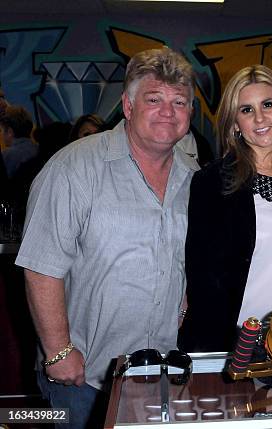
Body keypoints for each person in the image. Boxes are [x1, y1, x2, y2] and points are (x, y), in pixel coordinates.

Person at [15, 47, 199, 428]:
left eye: (179, 101)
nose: (168, 111)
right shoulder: (73, 167)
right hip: (85, 377)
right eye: (154, 99)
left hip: (161, 373)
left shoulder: (194, 176)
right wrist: (57, 353)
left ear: (190, 114)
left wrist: (183, 298)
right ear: (128, 107)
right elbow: (40, 266)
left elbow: (186, 253)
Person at [178, 65, 272, 353]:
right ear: (234, 124)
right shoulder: (212, 182)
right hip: (236, 345)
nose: (260, 118)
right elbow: (203, 281)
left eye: (268, 104)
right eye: (246, 110)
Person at [0, 105, 37, 179]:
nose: (1, 134)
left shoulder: (6, 156)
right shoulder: (37, 148)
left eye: (2, 130)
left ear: (10, 132)